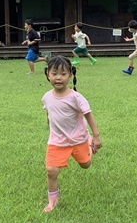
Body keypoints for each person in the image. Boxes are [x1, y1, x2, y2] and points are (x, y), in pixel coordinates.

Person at [41, 55, 102, 212]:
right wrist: (50, 125)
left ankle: (89, 144)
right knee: (51, 170)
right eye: (54, 73)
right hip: (56, 141)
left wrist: (96, 136)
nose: (58, 78)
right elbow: (49, 114)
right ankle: (52, 202)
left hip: (78, 140)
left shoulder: (76, 98)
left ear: (70, 75)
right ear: (47, 75)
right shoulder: (46, 97)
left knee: (85, 165)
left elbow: (89, 115)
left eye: (63, 74)